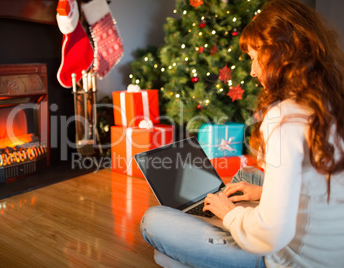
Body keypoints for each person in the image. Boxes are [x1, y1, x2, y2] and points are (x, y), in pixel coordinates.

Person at [140, 0, 344, 267]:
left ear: (278, 53)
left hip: (291, 258)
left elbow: (271, 235)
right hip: (333, 251)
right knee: (248, 177)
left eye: (254, 57)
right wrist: (261, 193)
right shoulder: (329, 101)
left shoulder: (285, 116)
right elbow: (313, 183)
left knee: (153, 220)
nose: (252, 71)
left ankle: (207, 230)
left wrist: (230, 215)